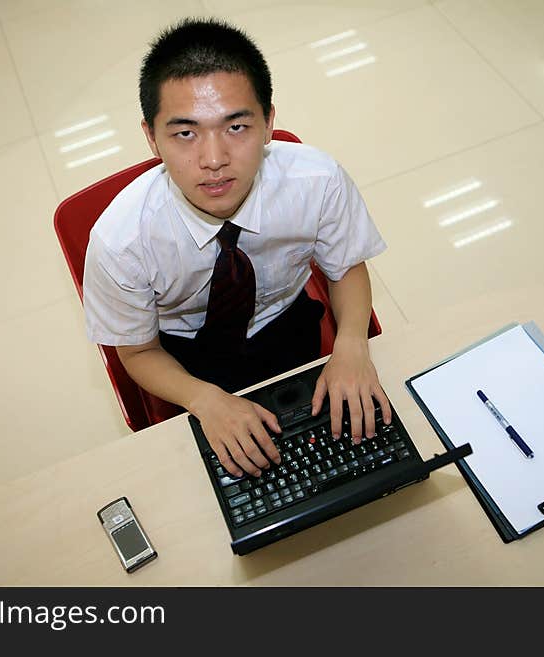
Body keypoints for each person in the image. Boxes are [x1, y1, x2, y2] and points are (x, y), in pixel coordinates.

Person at [83, 18, 392, 479]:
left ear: (269, 122)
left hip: (286, 324)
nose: (213, 160)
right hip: (184, 357)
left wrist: (350, 346)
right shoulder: (121, 241)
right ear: (151, 138)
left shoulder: (317, 181)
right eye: (185, 133)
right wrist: (203, 399)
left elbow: (344, 268)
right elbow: (138, 353)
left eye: (236, 126)